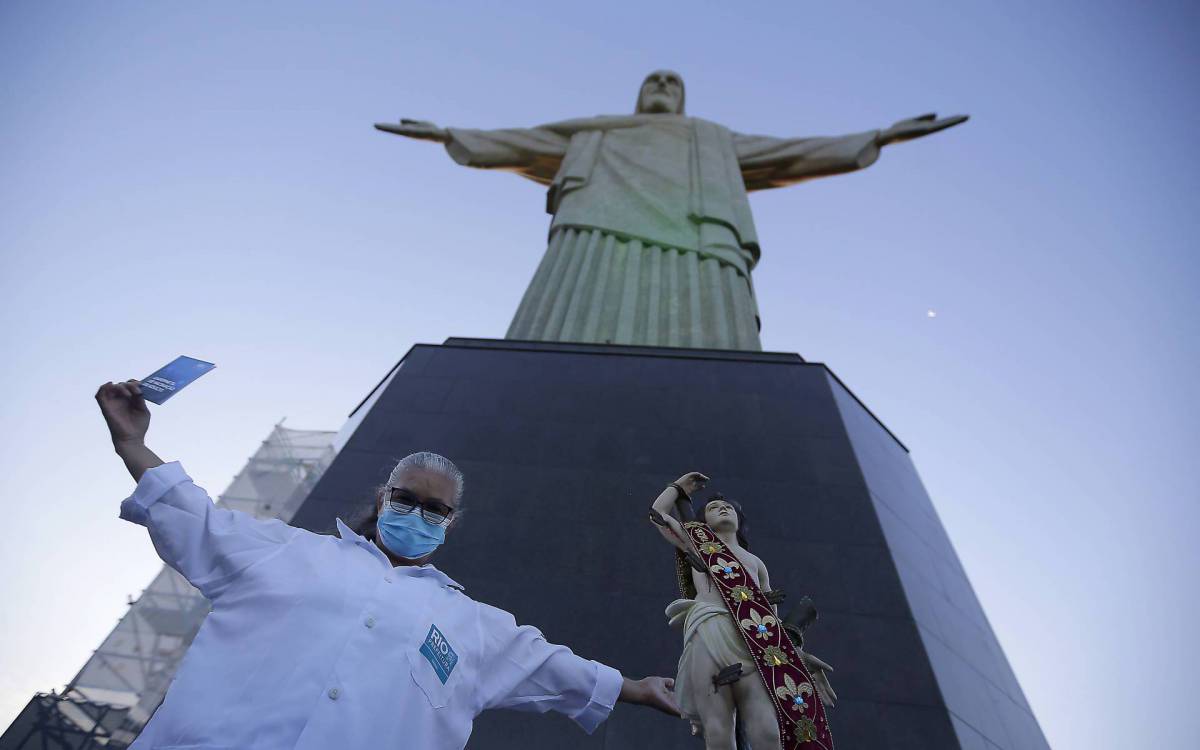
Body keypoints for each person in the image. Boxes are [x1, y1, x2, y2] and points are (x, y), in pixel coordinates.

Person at [95, 379, 678, 749]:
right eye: (408, 499)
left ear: (450, 522)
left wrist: (642, 689)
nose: (419, 513)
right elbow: (193, 516)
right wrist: (131, 444)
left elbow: (553, 668)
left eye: (436, 509)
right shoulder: (289, 552)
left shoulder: (470, 624)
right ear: (383, 499)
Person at [649, 473, 836, 750]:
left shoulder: (755, 562)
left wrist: (795, 654)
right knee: (719, 727)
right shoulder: (696, 543)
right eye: (712, 508)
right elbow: (658, 513)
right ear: (703, 523)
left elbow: (769, 615)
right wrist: (678, 488)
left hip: (755, 643)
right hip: (711, 628)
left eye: (728, 508)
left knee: (767, 729)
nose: (722, 509)